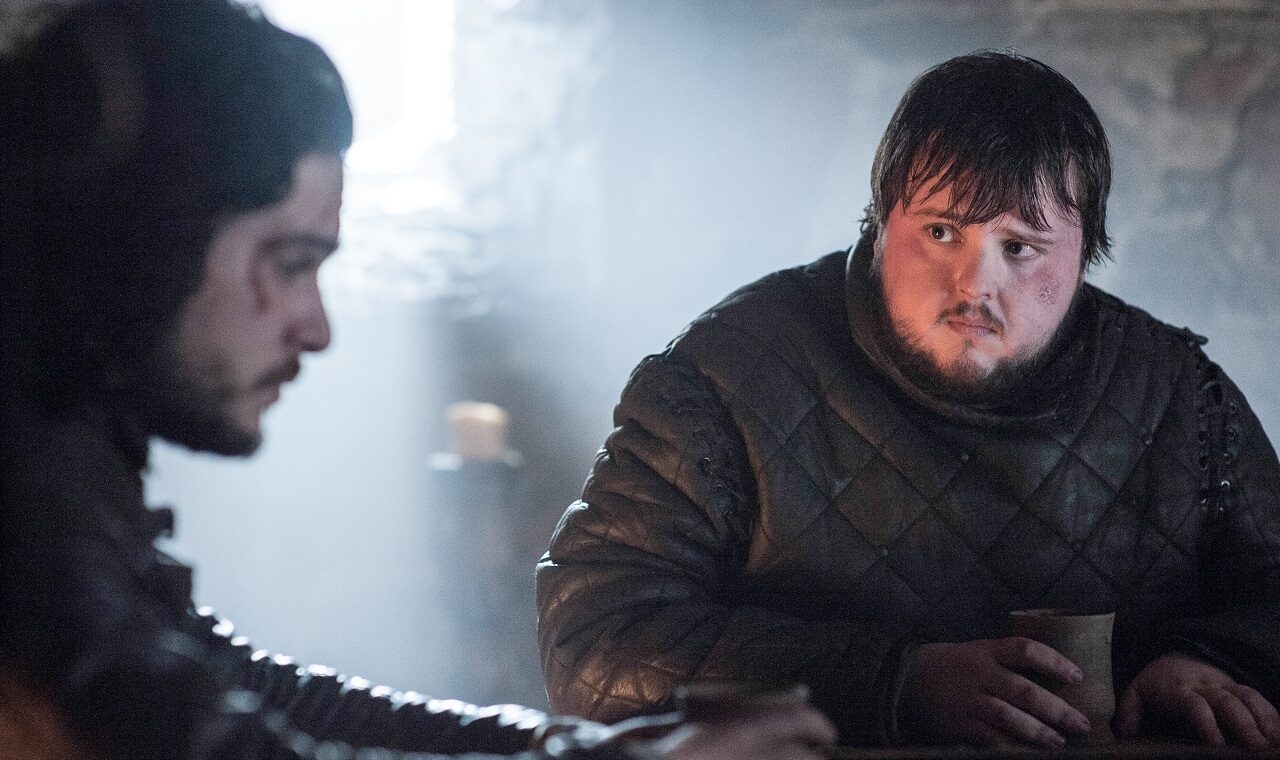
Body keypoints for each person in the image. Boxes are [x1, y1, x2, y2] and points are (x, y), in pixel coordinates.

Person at [0, 2, 837, 759]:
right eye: (289, 264)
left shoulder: (60, 446)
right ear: (148, 240)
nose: (316, 328)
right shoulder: (25, 498)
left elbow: (230, 687)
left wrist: (564, 742)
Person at [536, 50, 1280, 751]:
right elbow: (594, 639)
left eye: (1020, 246)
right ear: (880, 221)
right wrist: (893, 682)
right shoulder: (722, 380)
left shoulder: (1173, 392)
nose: (974, 285)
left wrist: (1215, 660)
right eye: (940, 232)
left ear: (1085, 254)